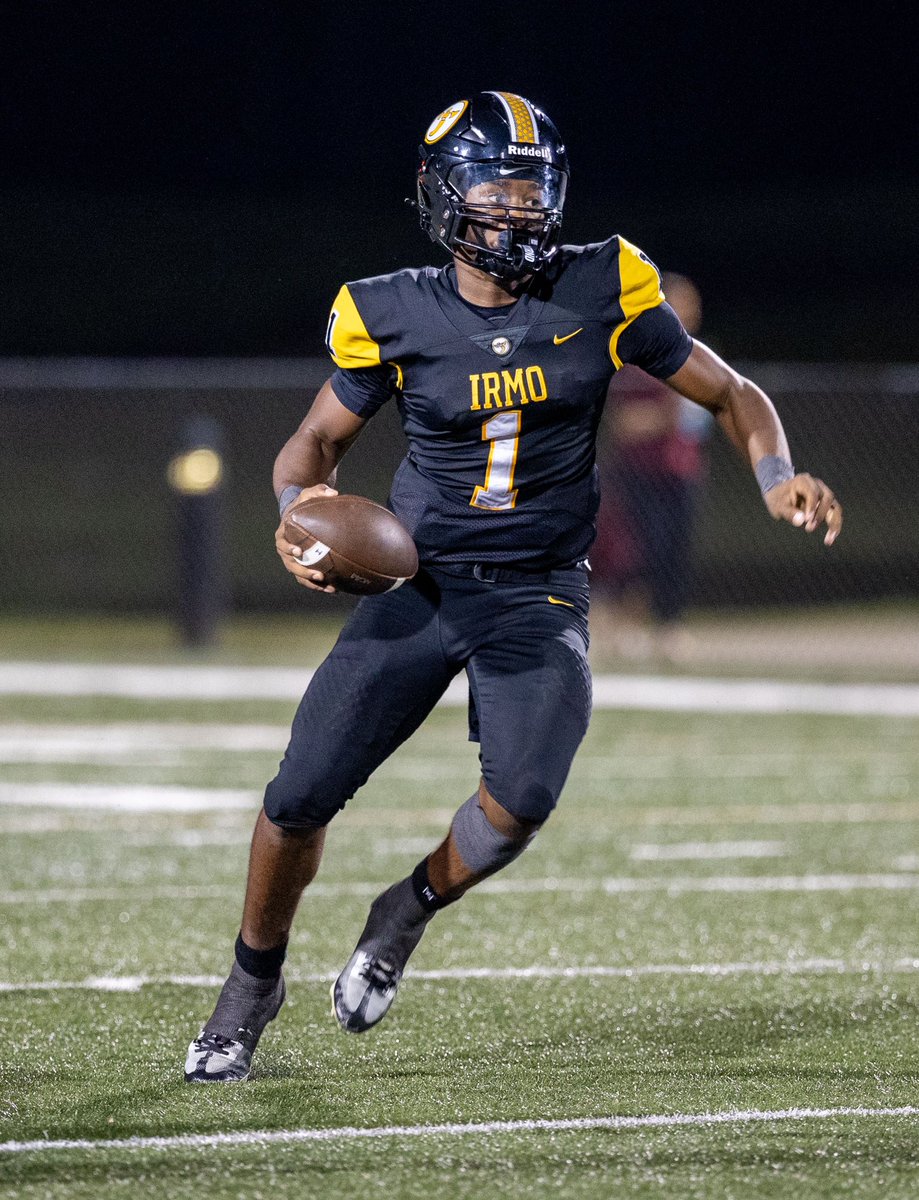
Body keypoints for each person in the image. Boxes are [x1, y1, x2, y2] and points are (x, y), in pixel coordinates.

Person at [184, 91, 842, 1082]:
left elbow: (730, 392)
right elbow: (314, 442)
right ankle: (250, 986)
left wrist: (774, 472)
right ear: (445, 197)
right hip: (420, 586)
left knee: (521, 800)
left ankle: (402, 912)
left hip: (538, 590)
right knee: (297, 798)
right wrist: (296, 508)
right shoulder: (390, 310)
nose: (521, 210)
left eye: (534, 190)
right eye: (498, 189)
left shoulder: (603, 286)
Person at [592, 273, 711, 659]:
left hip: (683, 470)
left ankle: (669, 630)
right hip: (641, 471)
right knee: (637, 551)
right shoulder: (639, 360)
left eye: (690, 305)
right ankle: (623, 627)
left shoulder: (700, 360)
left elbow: (703, 418)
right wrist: (667, 413)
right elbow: (624, 423)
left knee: (676, 552)